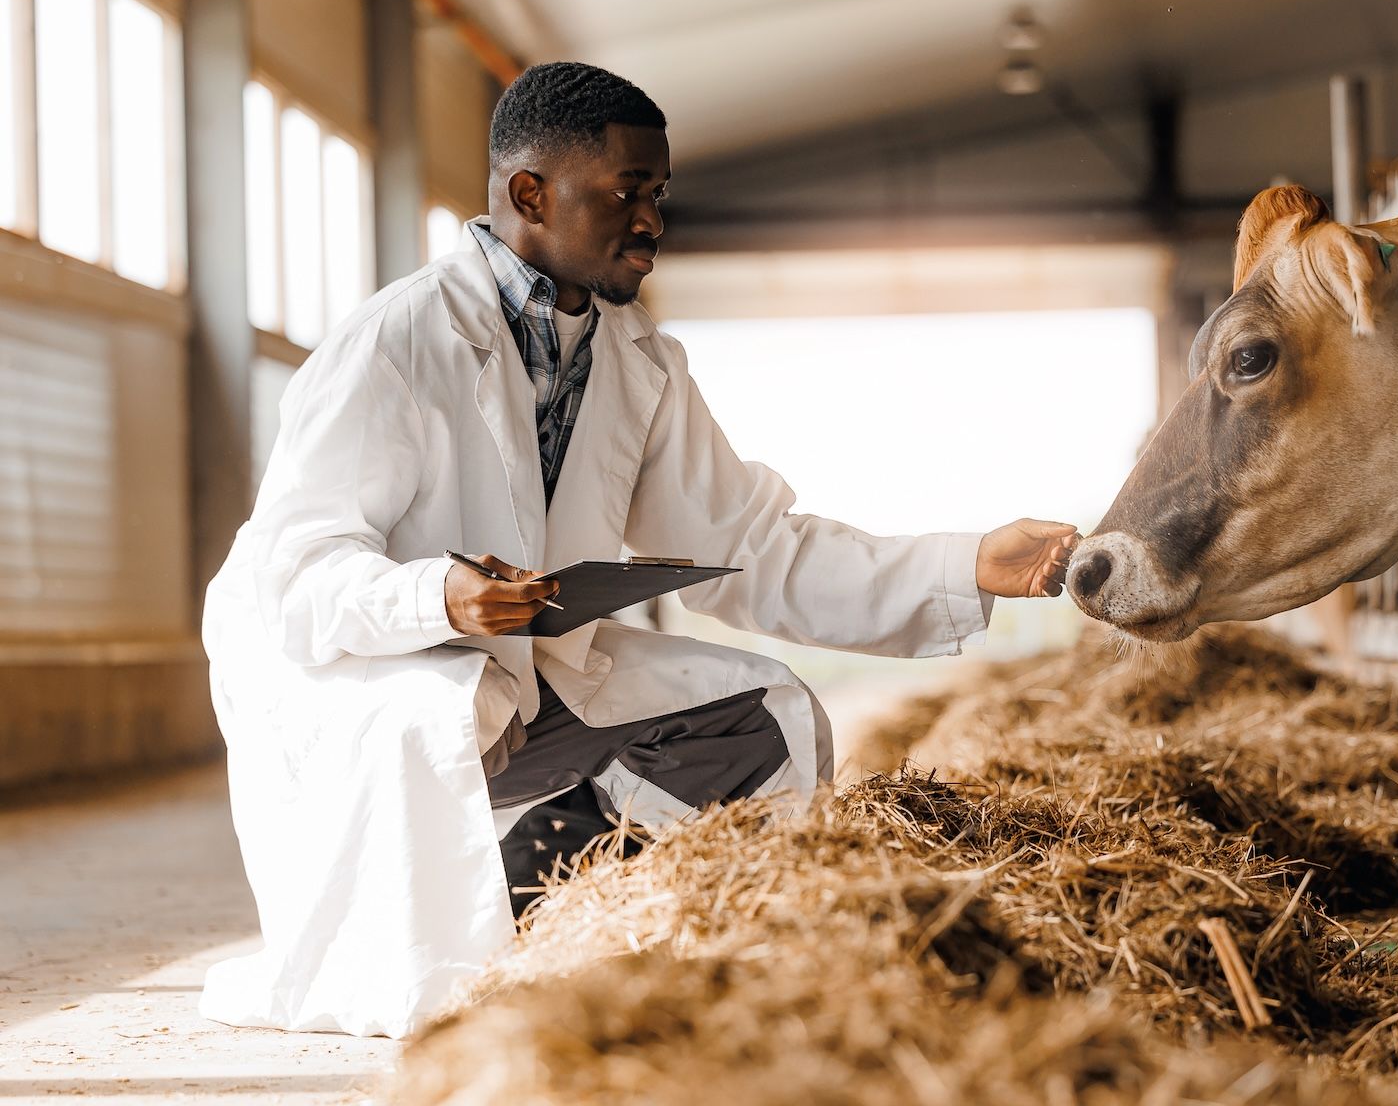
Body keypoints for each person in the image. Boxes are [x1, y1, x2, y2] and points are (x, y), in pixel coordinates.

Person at [199, 62, 1079, 1038]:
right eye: (628, 192)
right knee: (432, 797)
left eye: (659, 195)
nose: (654, 222)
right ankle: (452, 959)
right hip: (358, 670)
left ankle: (589, 922)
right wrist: (436, 598)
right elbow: (298, 576)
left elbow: (755, 545)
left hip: (523, 664)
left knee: (762, 717)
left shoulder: (636, 357)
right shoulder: (399, 341)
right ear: (529, 194)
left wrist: (966, 564)